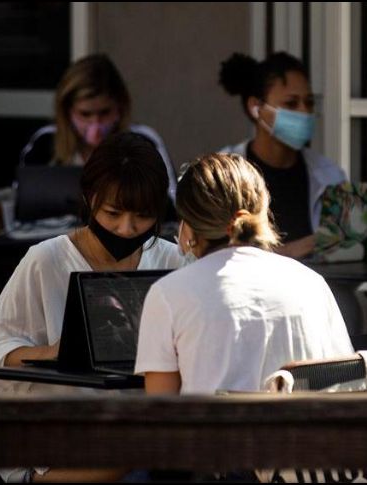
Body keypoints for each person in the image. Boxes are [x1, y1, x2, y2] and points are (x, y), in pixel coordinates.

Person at [0, 132, 183, 483]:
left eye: (142, 216)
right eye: (113, 213)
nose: (126, 229)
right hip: (60, 447)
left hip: (143, 439)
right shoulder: (46, 260)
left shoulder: (173, 260)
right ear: (90, 198)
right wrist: (50, 353)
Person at [135, 152, 354, 395]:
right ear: (263, 210)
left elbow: (160, 410)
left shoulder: (168, 294)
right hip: (303, 430)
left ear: (188, 224)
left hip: (217, 431)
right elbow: (345, 384)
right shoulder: (313, 284)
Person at [218, 51, 346, 259]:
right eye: (291, 103)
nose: (304, 112)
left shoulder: (330, 175)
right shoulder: (222, 176)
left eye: (309, 103)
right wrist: (297, 249)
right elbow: (215, 257)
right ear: (256, 107)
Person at [19, 53, 178, 203]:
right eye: (85, 114)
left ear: (119, 108)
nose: (96, 123)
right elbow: (22, 201)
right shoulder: (45, 141)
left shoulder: (143, 140)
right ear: (68, 112)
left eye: (104, 112)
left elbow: (171, 201)